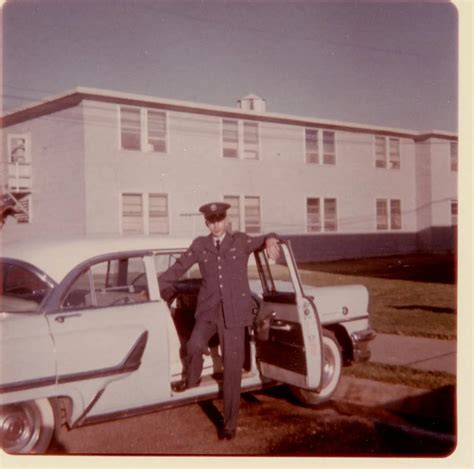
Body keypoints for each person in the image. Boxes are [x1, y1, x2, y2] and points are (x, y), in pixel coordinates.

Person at [158, 202, 280, 440]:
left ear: (226, 220)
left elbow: (265, 237)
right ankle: (191, 385)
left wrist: (271, 238)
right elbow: (179, 267)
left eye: (219, 219)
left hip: (235, 314)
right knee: (193, 345)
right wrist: (154, 286)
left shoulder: (240, 241)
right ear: (206, 223)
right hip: (208, 311)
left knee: (232, 369)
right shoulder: (200, 245)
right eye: (211, 221)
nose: (216, 224)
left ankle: (229, 424)